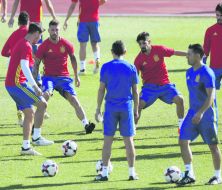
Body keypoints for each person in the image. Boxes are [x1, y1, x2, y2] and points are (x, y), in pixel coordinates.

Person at [33, 20, 95, 134]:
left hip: (64, 78)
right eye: (52, 30)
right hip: (48, 77)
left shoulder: (66, 44)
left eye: (56, 30)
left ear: (59, 30)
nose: (54, 32)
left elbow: (73, 59)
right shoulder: (44, 46)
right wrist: (35, 82)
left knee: (74, 100)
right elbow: (36, 63)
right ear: (48, 30)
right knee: (45, 97)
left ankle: (86, 124)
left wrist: (76, 76)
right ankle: (35, 126)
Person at [5, 23, 54, 156]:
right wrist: (35, 87)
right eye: (40, 34)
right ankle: (36, 138)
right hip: (17, 84)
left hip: (13, 84)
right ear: (36, 33)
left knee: (29, 113)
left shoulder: (22, 43)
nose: (40, 38)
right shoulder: (26, 45)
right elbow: (25, 67)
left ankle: (26, 147)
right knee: (43, 103)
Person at [177, 44, 222, 186]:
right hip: (192, 113)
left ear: (198, 55)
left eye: (189, 54)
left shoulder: (207, 72)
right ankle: (189, 173)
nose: (186, 56)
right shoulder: (188, 72)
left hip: (207, 114)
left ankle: (217, 176)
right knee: (183, 140)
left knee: (213, 146)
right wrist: (194, 113)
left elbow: (211, 96)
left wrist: (201, 113)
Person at [94, 40, 139, 181]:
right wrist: (136, 109)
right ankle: (132, 173)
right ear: (125, 52)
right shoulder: (131, 67)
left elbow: (101, 89)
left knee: (108, 141)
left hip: (111, 108)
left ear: (112, 52)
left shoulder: (106, 67)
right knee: (129, 141)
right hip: (126, 107)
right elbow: (136, 92)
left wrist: (98, 109)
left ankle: (105, 173)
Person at [134, 32, 186, 131]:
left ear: (149, 42)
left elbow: (174, 52)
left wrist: (189, 54)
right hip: (149, 88)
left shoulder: (159, 49)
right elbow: (134, 78)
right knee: (138, 105)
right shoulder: (138, 60)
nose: (142, 46)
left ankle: (181, 126)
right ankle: (132, 129)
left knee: (180, 99)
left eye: (144, 43)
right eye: (140, 44)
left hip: (165, 85)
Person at [63, 0, 107, 75]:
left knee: (83, 45)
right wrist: (94, 5)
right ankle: (97, 58)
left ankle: (82, 69)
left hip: (83, 21)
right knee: (94, 43)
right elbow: (103, 1)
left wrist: (66, 19)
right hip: (94, 20)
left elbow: (72, 6)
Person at [2, 11, 30, 126]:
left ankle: (20, 112)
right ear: (28, 21)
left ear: (18, 22)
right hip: (26, 64)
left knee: (18, 88)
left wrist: (13, 54)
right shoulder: (30, 33)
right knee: (28, 86)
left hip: (13, 65)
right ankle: (38, 109)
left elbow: (3, 52)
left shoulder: (14, 34)